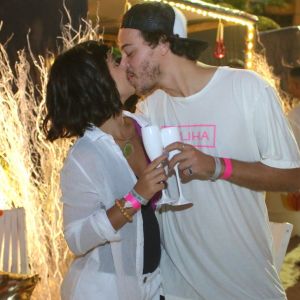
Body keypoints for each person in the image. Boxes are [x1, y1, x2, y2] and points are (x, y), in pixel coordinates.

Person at [118, 2, 300, 300]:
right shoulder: (149, 109)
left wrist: (218, 166)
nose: (125, 63)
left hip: (245, 286)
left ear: (163, 43)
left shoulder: (247, 90)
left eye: (130, 51)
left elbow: (293, 178)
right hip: (177, 289)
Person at [43, 40, 168, 300]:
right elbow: (77, 238)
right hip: (105, 290)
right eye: (115, 62)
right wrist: (136, 198)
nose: (127, 62)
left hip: (154, 285)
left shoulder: (143, 124)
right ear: (95, 81)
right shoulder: (85, 155)